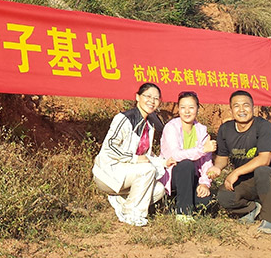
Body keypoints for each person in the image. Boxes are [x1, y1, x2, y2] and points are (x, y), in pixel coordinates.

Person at [92, 82, 170, 226]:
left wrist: (163, 162)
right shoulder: (125, 119)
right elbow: (110, 146)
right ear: (137, 97)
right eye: (148, 96)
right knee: (147, 170)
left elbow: (145, 155)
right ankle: (133, 214)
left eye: (156, 98)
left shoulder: (150, 123)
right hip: (109, 171)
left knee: (159, 190)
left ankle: (121, 200)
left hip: (129, 173)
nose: (152, 101)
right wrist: (134, 158)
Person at [208, 90, 271, 235]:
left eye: (246, 105)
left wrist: (235, 172)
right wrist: (217, 167)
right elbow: (222, 157)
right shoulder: (226, 129)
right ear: (231, 110)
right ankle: (252, 208)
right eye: (236, 106)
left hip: (270, 178)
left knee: (262, 171)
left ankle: (270, 220)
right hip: (245, 181)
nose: (241, 110)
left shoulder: (263, 126)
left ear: (253, 108)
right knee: (224, 196)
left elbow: (264, 160)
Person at [159, 91, 216, 223]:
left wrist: (204, 183)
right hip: (173, 174)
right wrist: (202, 149)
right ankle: (183, 213)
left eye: (191, 107)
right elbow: (176, 155)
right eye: (183, 107)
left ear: (197, 108)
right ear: (178, 109)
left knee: (205, 203)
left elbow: (206, 161)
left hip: (192, 176)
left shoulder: (202, 130)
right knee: (186, 164)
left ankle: (176, 203)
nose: (187, 111)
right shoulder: (171, 127)